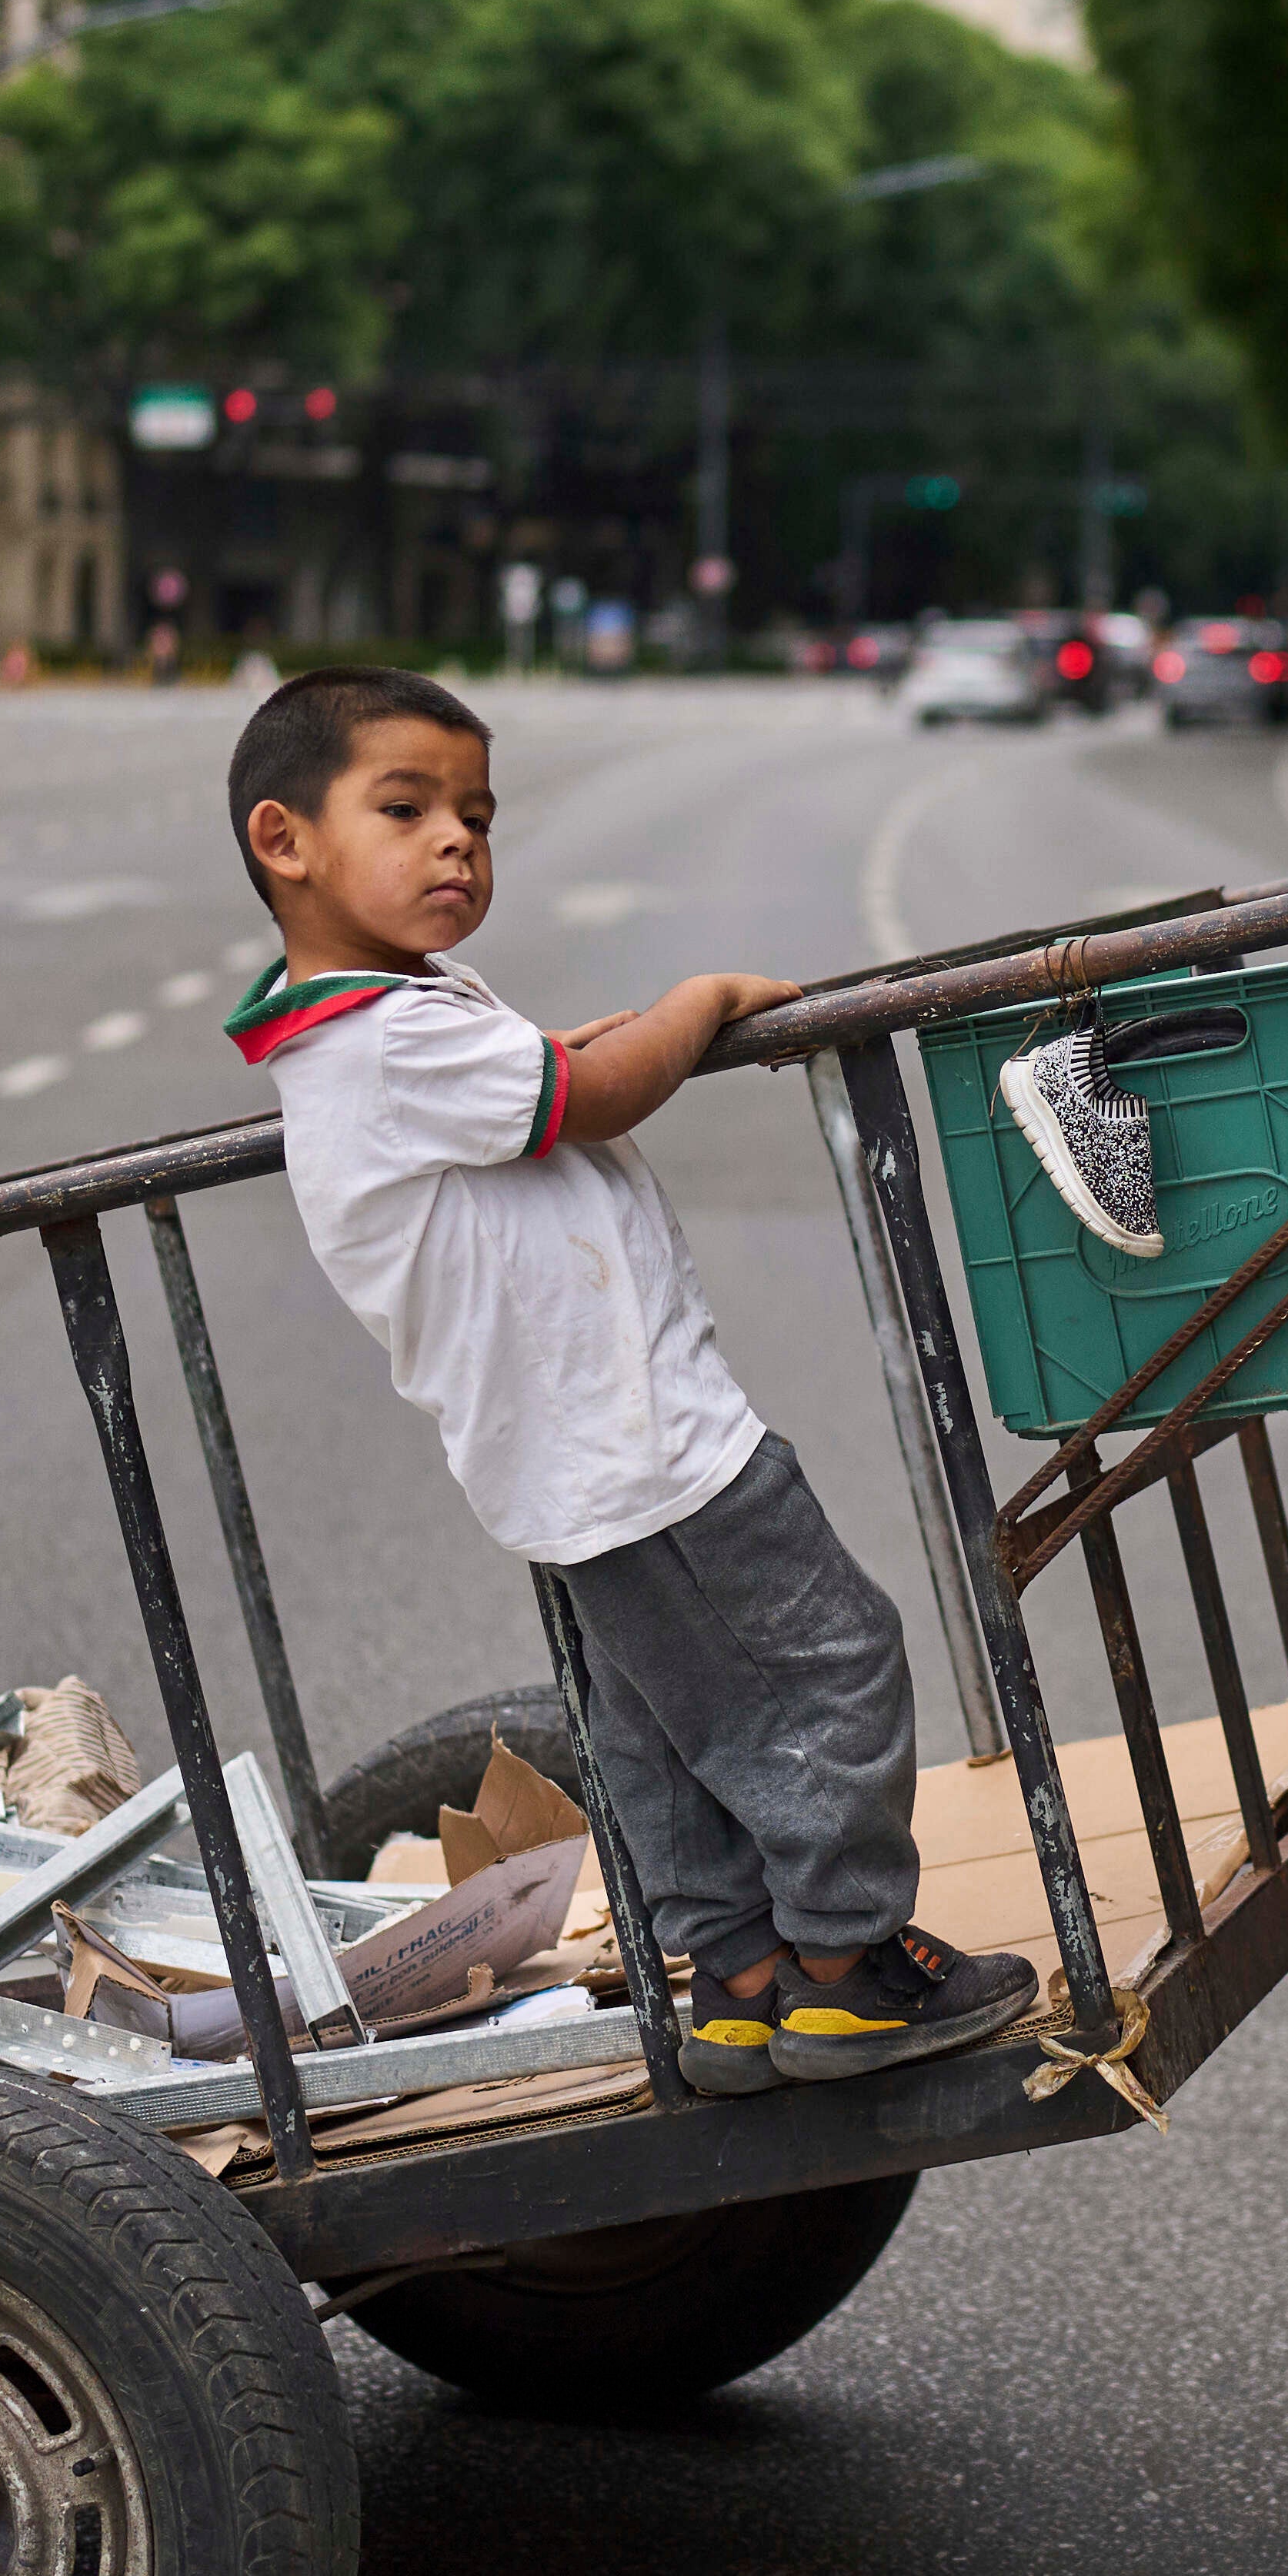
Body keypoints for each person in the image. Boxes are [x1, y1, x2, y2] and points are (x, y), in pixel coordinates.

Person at [216, 667, 1040, 2098]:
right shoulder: (384, 1039)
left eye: (477, 814)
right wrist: (701, 999)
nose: (459, 841)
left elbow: (535, 1070)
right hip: (648, 1444)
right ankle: (845, 1972)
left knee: (668, 1723)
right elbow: (581, 1095)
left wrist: (589, 1039)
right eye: (406, 808)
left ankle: (729, 1986)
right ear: (284, 842)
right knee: (834, 1662)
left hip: (570, 1456)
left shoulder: (371, 1022)